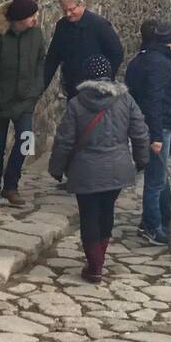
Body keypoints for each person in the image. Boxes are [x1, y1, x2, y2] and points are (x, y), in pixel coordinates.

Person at [48, 55, 149, 282]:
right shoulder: (126, 100)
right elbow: (140, 131)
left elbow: (64, 139)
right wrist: (142, 159)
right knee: (106, 211)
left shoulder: (76, 104)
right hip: (118, 168)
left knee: (89, 215)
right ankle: (98, 259)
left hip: (86, 170)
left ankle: (94, 265)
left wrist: (57, 167)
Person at [125, 19, 171, 246]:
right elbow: (152, 100)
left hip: (155, 125)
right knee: (155, 179)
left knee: (160, 175)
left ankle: (164, 218)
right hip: (159, 126)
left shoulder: (143, 60)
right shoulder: (159, 65)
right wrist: (155, 135)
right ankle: (151, 226)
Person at [0, 0, 46, 207]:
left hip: (25, 100)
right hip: (0, 100)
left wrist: (36, 89)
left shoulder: (36, 35)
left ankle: (11, 185)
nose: (36, 19)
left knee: (26, 142)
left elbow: (42, 61)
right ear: (20, 19)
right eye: (32, 16)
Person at [44, 0, 124, 98]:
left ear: (81, 5)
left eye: (72, 10)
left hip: (97, 89)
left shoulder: (100, 25)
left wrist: (105, 80)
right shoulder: (62, 26)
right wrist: (42, 85)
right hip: (73, 88)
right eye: (64, 11)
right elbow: (53, 58)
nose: (68, 14)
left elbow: (116, 53)